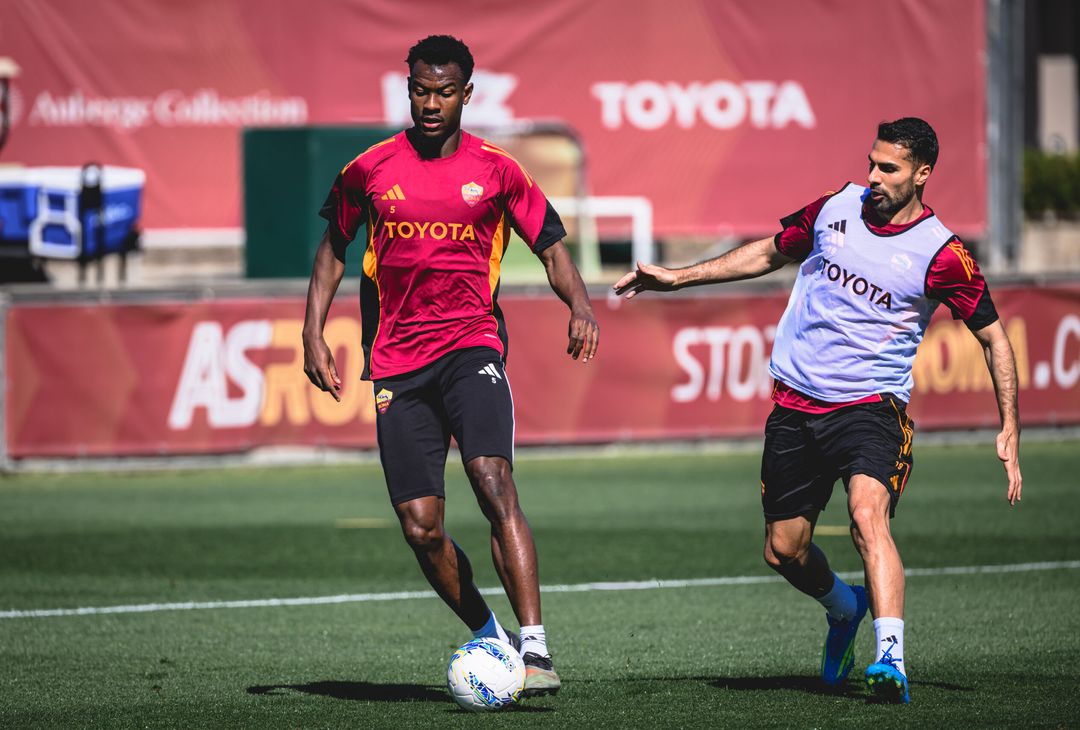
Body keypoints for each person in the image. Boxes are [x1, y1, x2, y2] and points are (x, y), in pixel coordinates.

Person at [614, 117, 1022, 704]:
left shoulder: (943, 254)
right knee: (784, 550)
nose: (874, 178)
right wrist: (678, 278)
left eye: (890, 169)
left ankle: (891, 661)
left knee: (866, 517)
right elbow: (769, 253)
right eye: (872, 163)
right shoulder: (837, 206)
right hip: (794, 404)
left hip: (872, 408)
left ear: (923, 174)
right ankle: (844, 606)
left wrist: (1009, 425)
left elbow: (994, 338)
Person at [303, 34, 598, 697]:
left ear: (467, 94)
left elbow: (551, 246)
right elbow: (331, 249)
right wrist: (312, 334)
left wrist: (579, 304)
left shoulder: (498, 170)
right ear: (407, 89)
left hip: (471, 347)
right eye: (419, 90)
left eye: (443, 91)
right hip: (396, 363)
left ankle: (535, 648)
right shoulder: (369, 169)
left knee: (492, 480)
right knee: (420, 526)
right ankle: (489, 634)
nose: (430, 103)